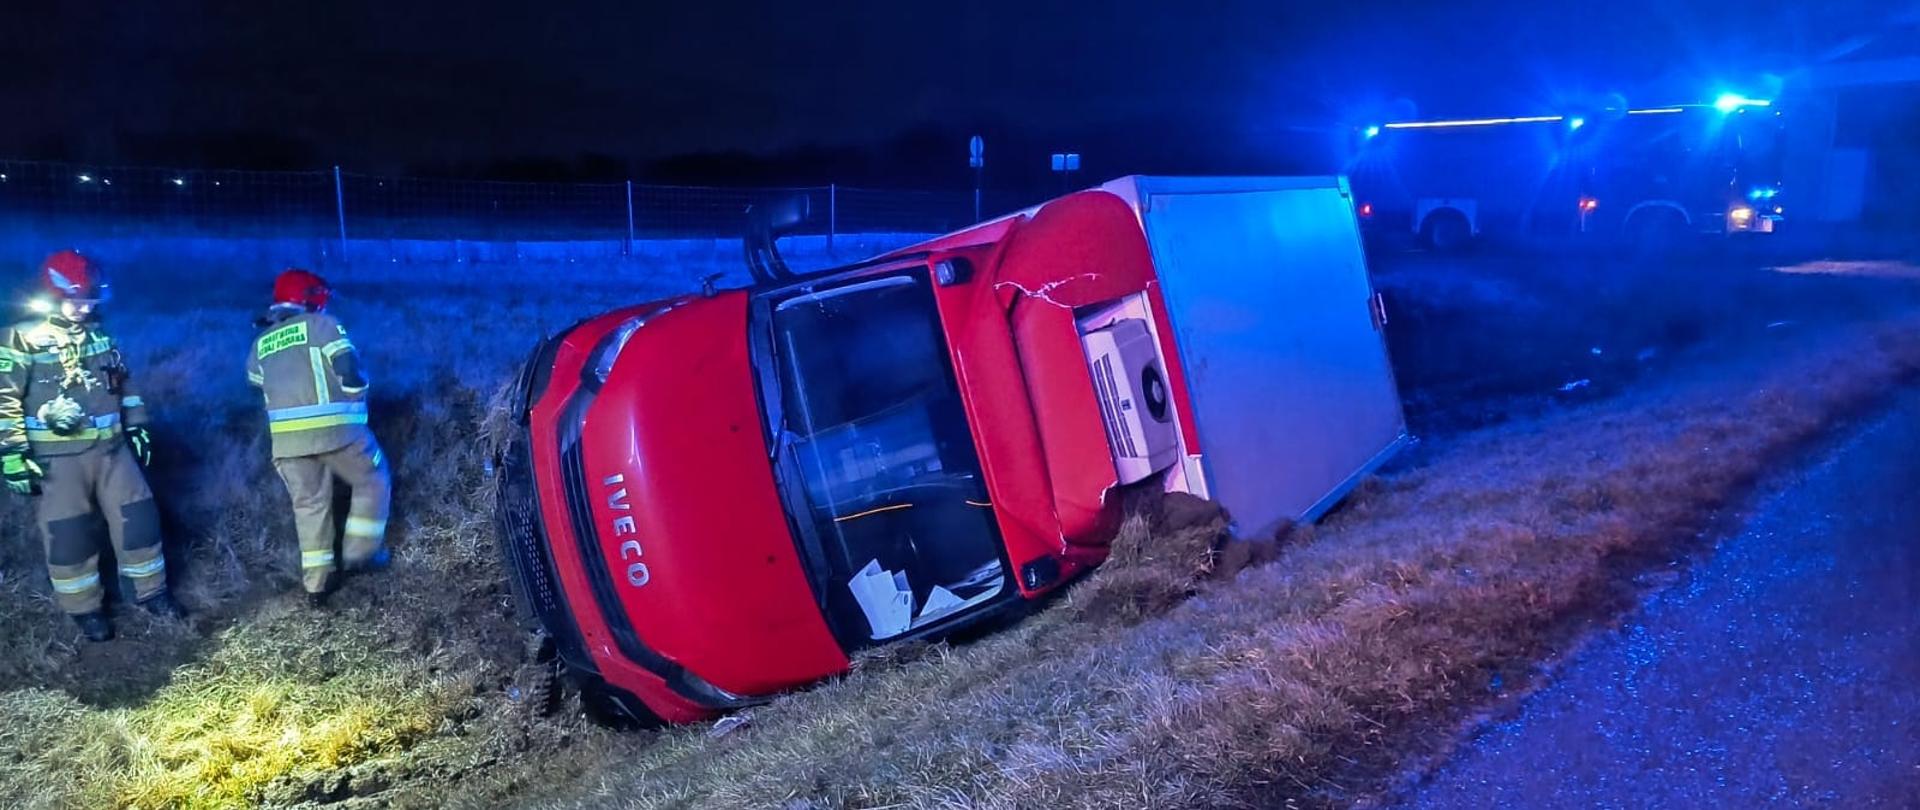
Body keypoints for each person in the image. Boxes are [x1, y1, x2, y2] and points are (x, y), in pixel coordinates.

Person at [0, 250, 184, 641]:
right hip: (57, 460)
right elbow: (4, 398)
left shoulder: (101, 334)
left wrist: (137, 426)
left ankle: (150, 593)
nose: (83, 307)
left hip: (112, 451)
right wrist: (12, 453)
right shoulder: (19, 338)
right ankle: (85, 610)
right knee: (69, 535)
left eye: (89, 300)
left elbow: (125, 385)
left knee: (140, 520)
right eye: (76, 299)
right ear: (51, 294)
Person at [247, 268, 390, 605]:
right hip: (340, 433)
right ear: (311, 298)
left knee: (309, 506)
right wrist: (359, 395)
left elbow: (255, 380)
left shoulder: (260, 342)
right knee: (374, 479)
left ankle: (316, 586)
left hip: (286, 445)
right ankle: (360, 554)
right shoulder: (324, 326)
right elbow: (351, 375)